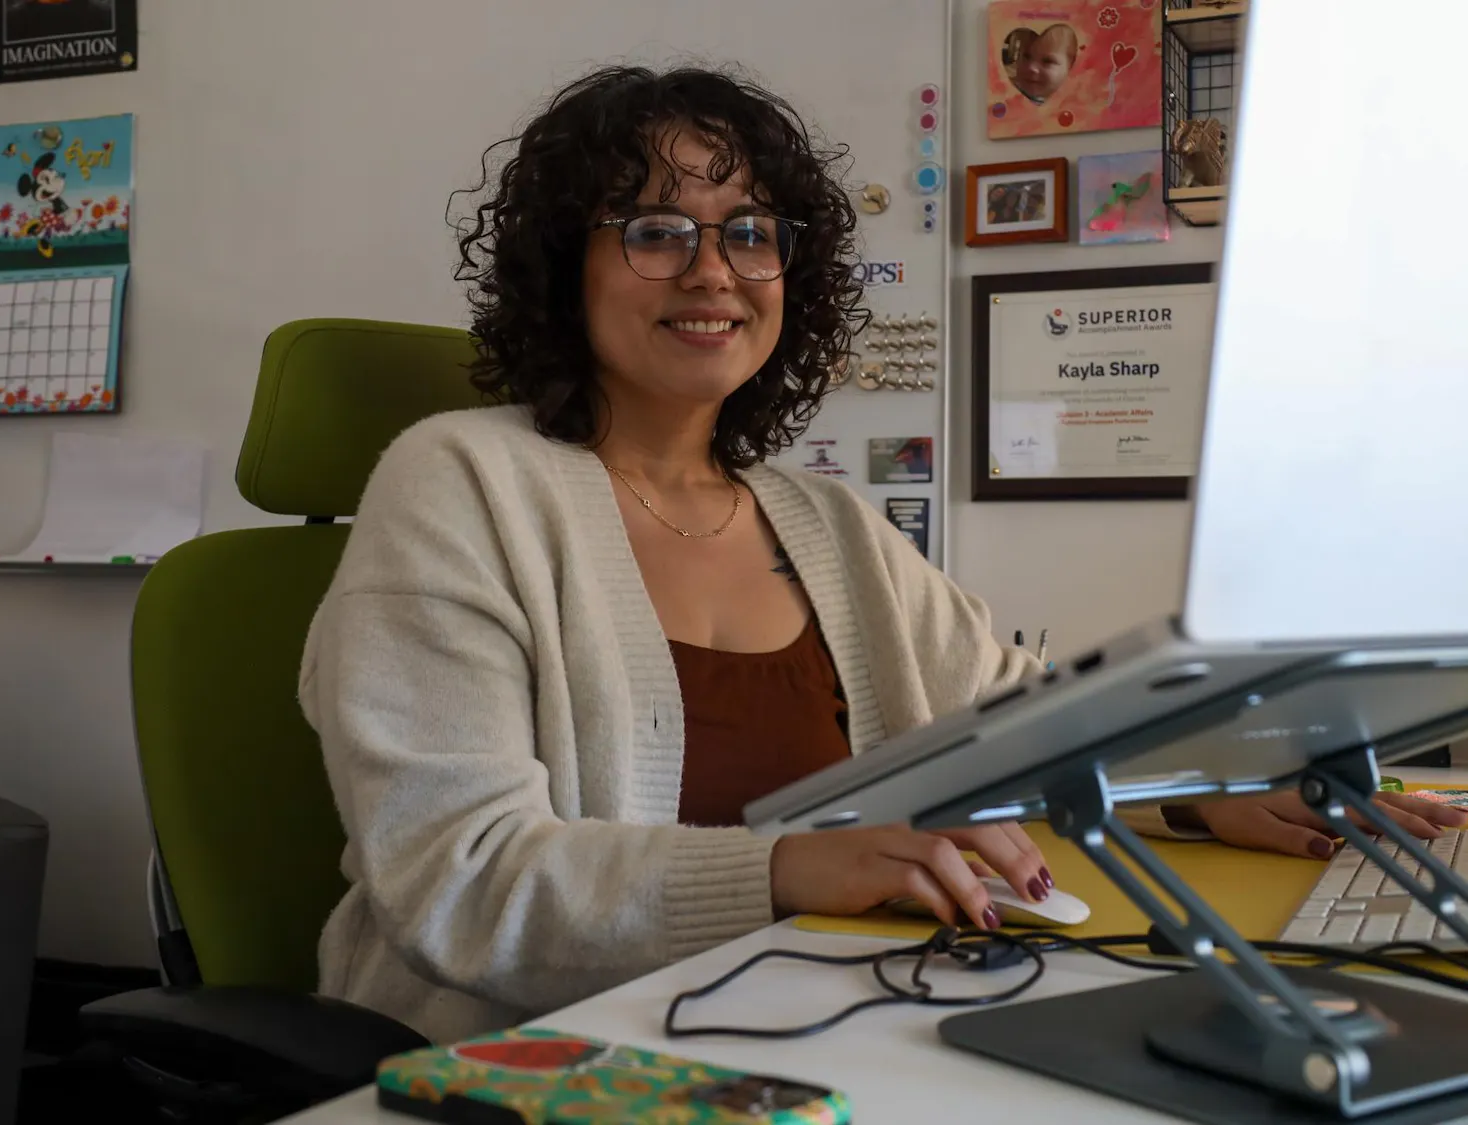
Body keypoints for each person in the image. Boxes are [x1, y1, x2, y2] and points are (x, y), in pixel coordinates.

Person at [298, 63, 1467, 1043]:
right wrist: (788, 869)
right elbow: (460, 878)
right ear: (567, 267)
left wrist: (1212, 793)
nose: (713, 270)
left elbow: (1029, 721)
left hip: (821, 1018)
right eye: (657, 231)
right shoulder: (458, 484)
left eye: (750, 232)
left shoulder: (825, 523)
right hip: (523, 1065)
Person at [1011, 23, 1078, 104]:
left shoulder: (1075, 104)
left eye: (1047, 61)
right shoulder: (1007, 95)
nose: (1032, 67)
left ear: (1071, 66)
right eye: (1026, 56)